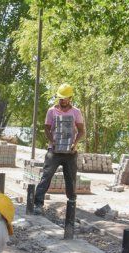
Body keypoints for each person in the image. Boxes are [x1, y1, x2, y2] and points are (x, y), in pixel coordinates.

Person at [33, 83, 85, 215]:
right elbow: (46, 128)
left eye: (65, 98)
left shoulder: (76, 112)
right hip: (54, 151)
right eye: (60, 98)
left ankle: (72, 203)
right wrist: (52, 141)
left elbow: (81, 131)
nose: (62, 101)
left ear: (70, 98)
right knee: (46, 176)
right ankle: (38, 204)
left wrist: (75, 143)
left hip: (70, 152)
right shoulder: (51, 111)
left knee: (71, 179)